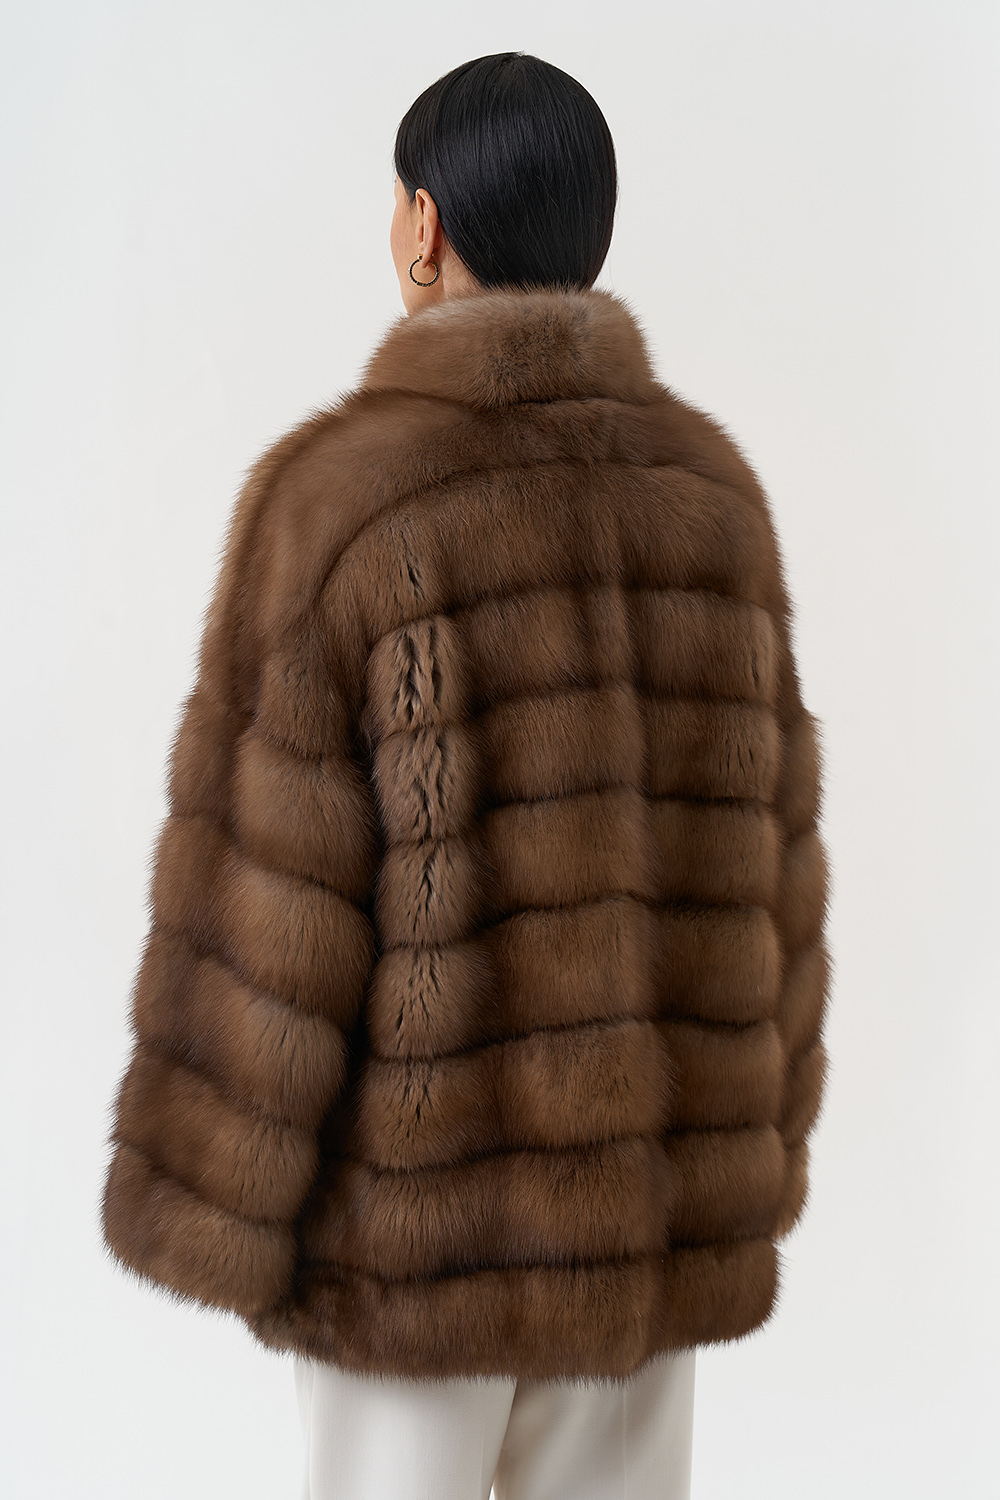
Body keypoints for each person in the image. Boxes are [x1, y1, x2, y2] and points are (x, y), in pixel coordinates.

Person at [99, 51, 832, 1500]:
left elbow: (270, 902)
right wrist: (756, 1149)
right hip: (642, 1227)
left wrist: (225, 1202)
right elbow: (776, 869)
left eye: (396, 203)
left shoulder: (342, 503)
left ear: (425, 223)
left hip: (413, 1243)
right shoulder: (714, 508)